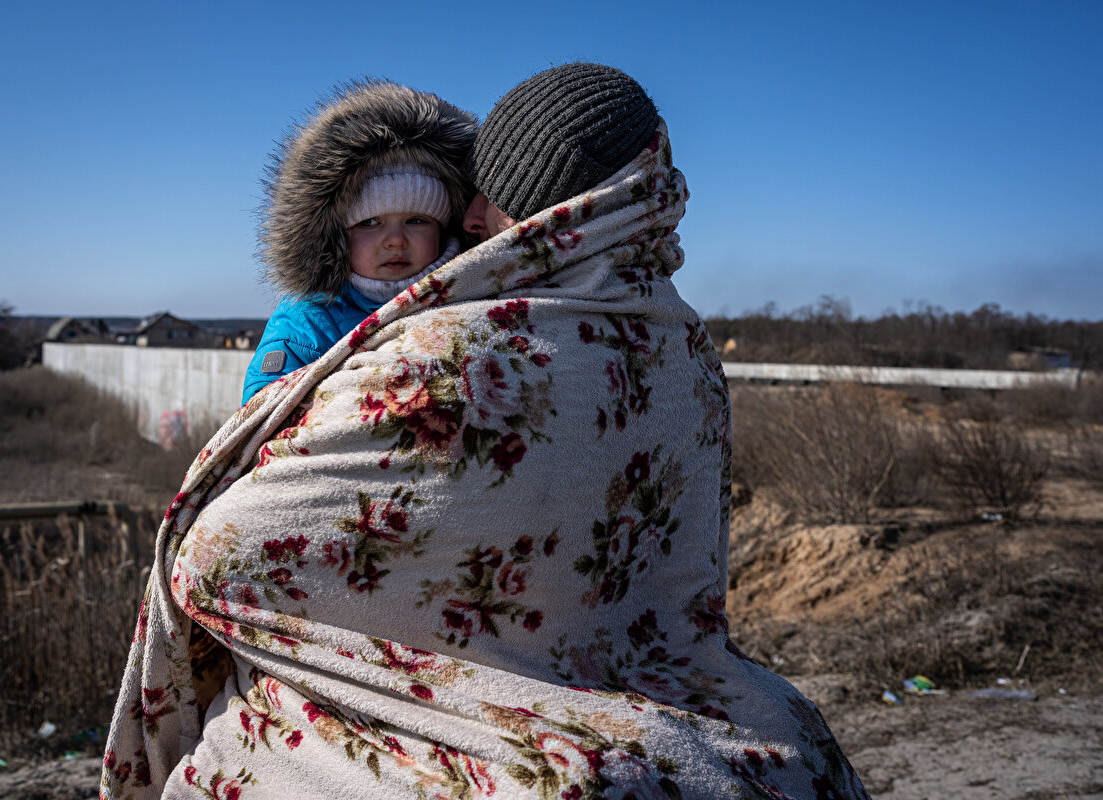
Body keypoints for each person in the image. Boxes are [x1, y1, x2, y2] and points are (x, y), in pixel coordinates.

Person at [102, 65, 868, 799]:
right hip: (671, 672)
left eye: (494, 195)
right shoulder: (688, 347)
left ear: (559, 212)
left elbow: (218, 563)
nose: (469, 219)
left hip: (489, 700)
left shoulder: (463, 354)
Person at [241, 80, 477, 405]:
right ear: (338, 237)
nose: (395, 240)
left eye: (416, 220)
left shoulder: (472, 296)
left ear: (445, 227)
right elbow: (264, 414)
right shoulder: (308, 323)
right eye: (369, 223)